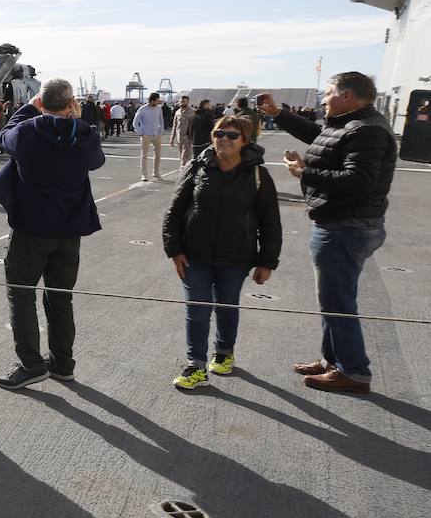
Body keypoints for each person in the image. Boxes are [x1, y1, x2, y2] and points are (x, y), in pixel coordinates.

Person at [256, 73, 397, 393]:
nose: (323, 99)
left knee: (338, 300)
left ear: (348, 96)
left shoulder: (368, 130)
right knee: (332, 296)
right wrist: (278, 114)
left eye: (329, 92)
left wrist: (306, 172)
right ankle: (332, 359)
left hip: (346, 227)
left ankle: (354, 371)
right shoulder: (352, 123)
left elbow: (358, 180)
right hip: (342, 223)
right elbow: (322, 136)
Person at [0, 78, 105, 390]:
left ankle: (31, 364)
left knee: (21, 295)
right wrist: (75, 119)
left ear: (41, 103)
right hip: (69, 231)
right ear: (71, 103)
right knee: (61, 298)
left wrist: (29, 107)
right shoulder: (84, 134)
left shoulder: (28, 131)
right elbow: (97, 160)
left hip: (32, 230)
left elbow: (5, 136)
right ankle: (63, 363)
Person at [163, 115, 281, 390]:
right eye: (219, 134)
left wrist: (267, 262)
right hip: (195, 255)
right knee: (197, 309)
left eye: (231, 135)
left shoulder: (258, 174)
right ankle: (196, 365)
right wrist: (174, 249)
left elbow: (270, 221)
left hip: (236, 257)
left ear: (245, 140)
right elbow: (175, 211)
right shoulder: (197, 167)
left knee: (227, 305)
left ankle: (224, 352)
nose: (224, 139)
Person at [134, 92, 166, 182]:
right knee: (144, 155)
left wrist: (161, 131)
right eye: (157, 100)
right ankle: (144, 175)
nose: (158, 102)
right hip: (146, 134)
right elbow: (135, 122)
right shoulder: (142, 109)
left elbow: (161, 120)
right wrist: (140, 132)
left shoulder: (159, 109)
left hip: (156, 134)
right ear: (152, 100)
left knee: (158, 155)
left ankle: (156, 172)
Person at [170, 95, 196, 172]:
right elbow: (174, 125)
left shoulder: (192, 112)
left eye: (184, 101)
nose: (182, 103)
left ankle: (184, 168)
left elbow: (195, 126)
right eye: (181, 101)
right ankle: (186, 167)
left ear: (187, 102)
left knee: (186, 155)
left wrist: (193, 137)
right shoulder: (177, 112)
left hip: (188, 137)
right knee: (181, 154)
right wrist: (172, 138)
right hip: (179, 137)